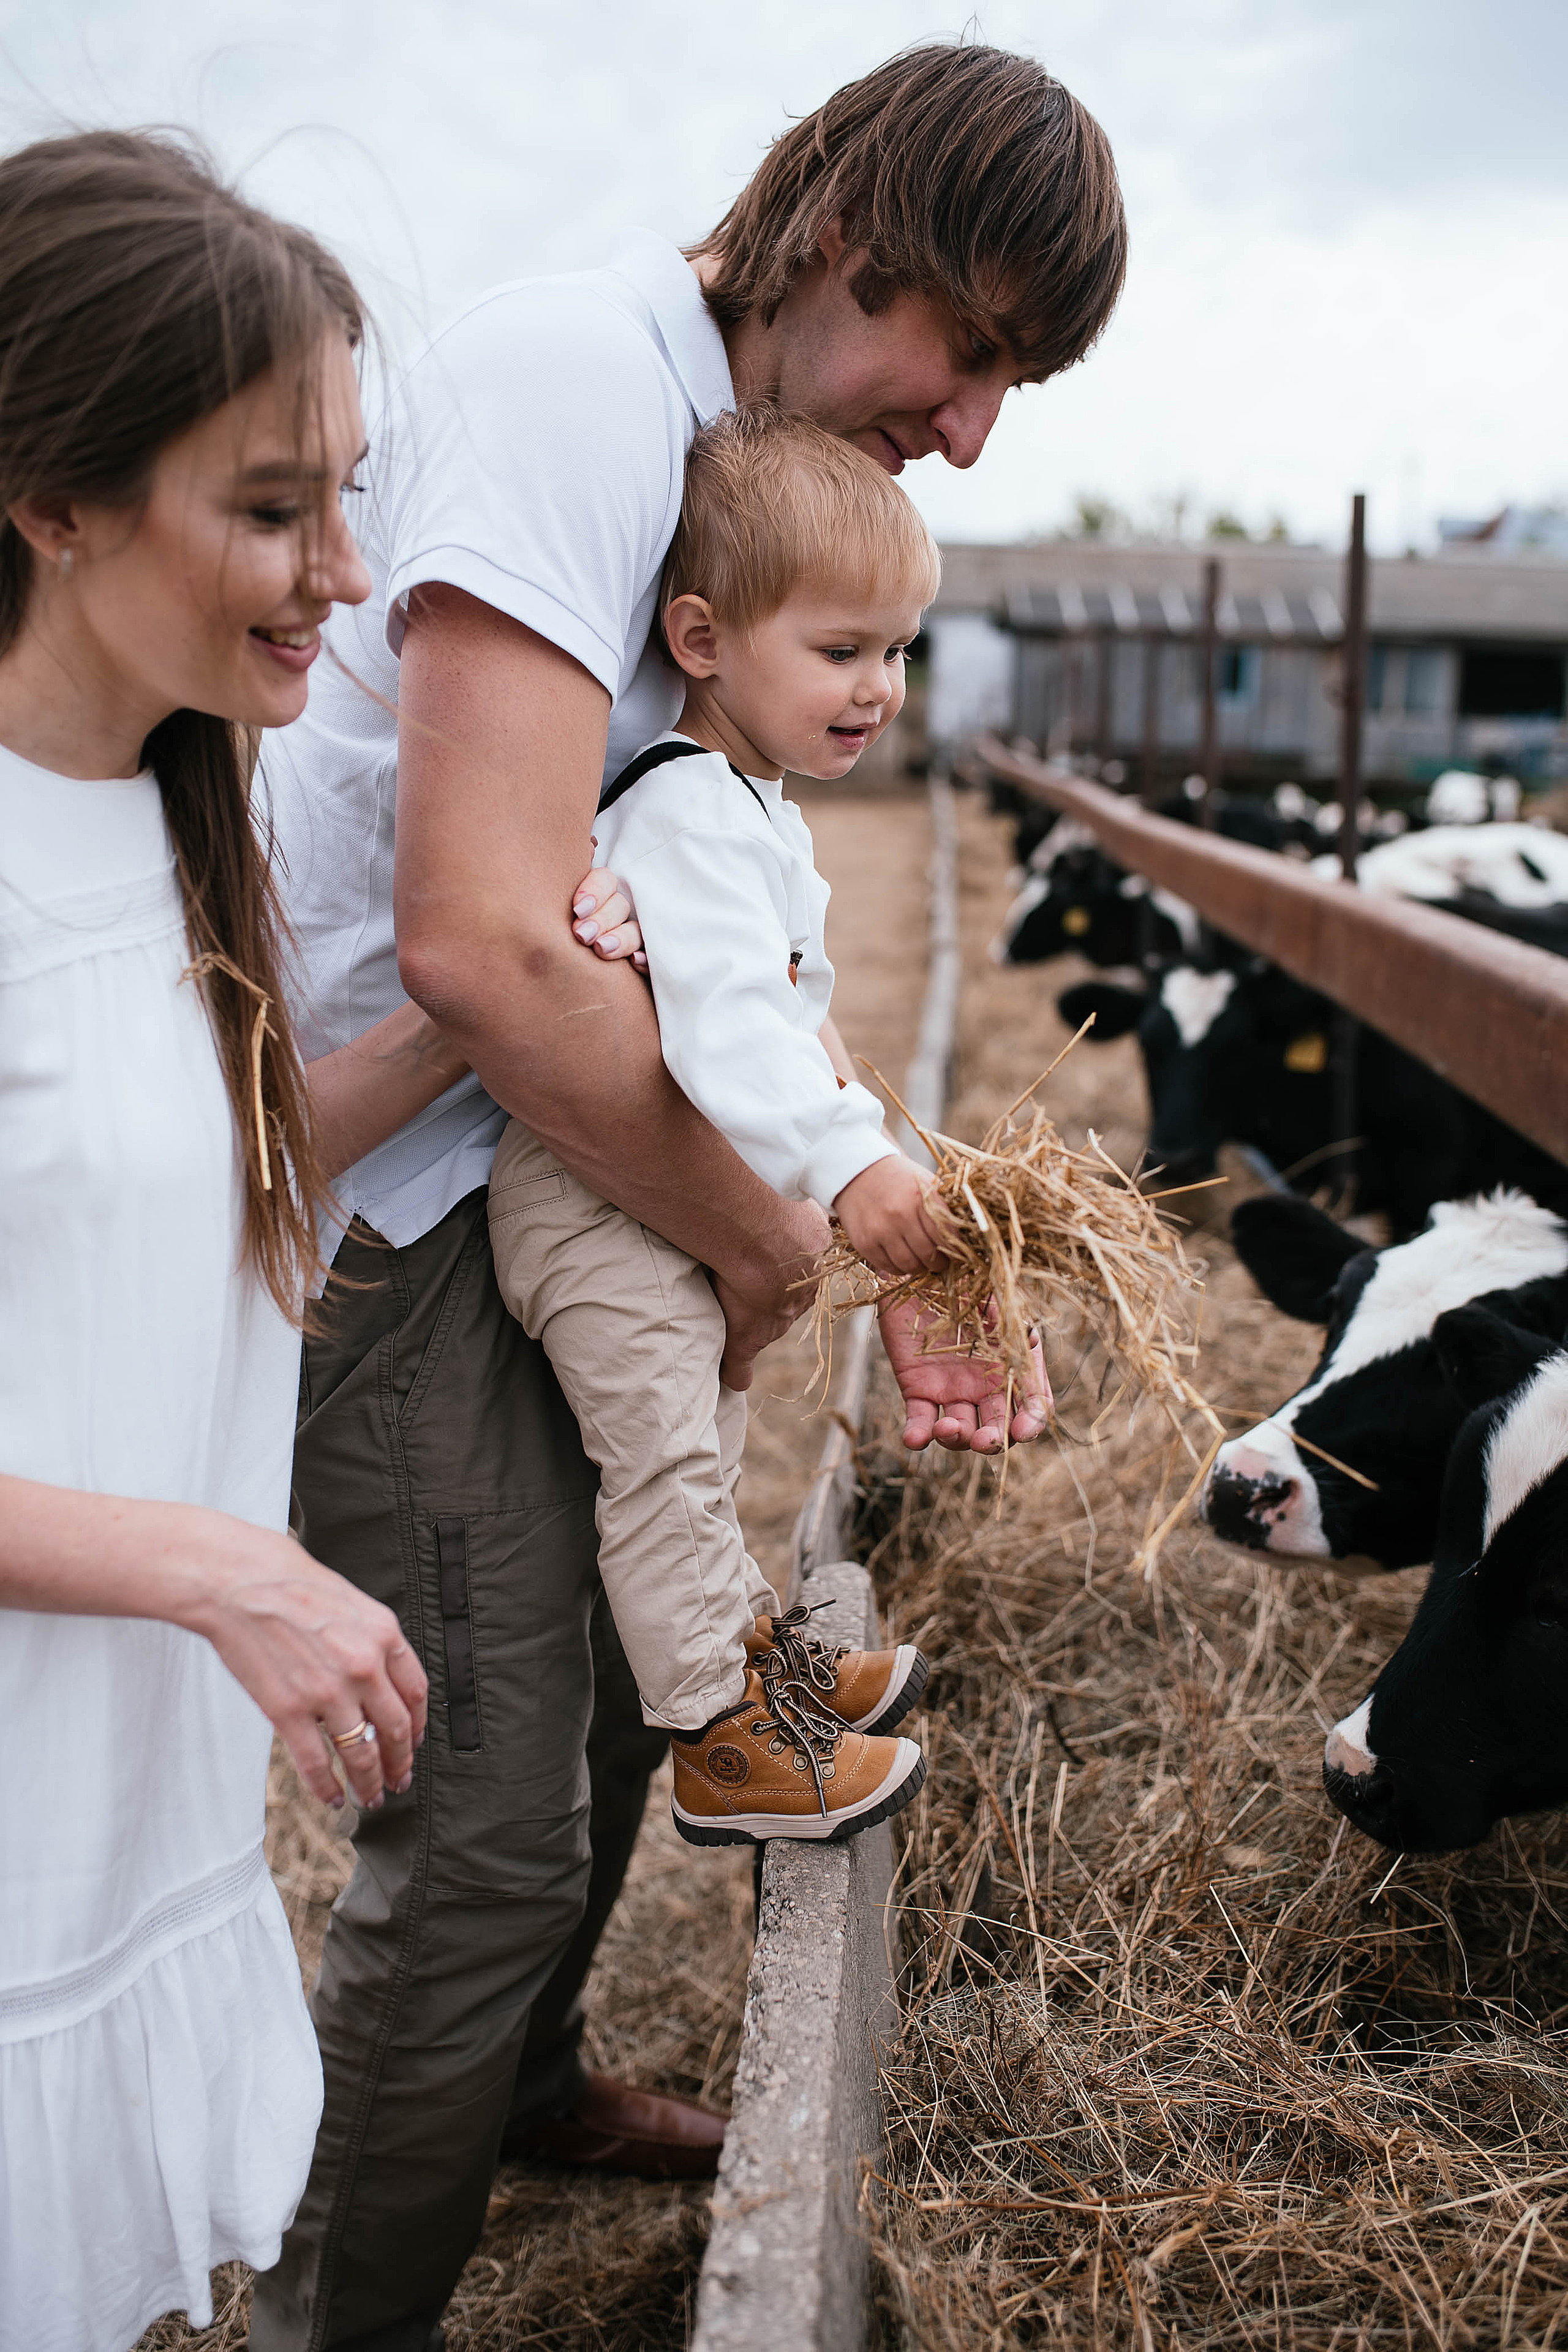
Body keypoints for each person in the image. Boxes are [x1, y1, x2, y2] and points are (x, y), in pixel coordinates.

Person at [254, 43, 1125, 2351]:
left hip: (529, 1152)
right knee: (491, 1819)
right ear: (854, 251)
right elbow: (474, 939)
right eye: (977, 354)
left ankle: (521, 2087)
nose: (972, 427)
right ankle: (340, 2311)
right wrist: (767, 1239)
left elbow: (699, 928)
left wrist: (825, 1194)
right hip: (409, 1198)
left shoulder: (722, 470)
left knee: (632, 1693)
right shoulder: (575, 391)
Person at [0, 132, 483, 2352]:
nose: (342, 571)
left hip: (113, 1827)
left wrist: (533, 998)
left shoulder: (193, 812)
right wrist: (226, 1569)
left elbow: (220, 1175)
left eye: (346, 494)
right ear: (54, 497)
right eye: (272, 506)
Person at [489, 407, 979, 1843]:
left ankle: (749, 1667)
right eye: (841, 651)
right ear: (699, 641)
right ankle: (716, 1739)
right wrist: (848, 1160)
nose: (879, 688)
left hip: (647, 1191)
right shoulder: (696, 813)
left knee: (701, 1436)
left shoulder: (751, 807)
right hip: (592, 1196)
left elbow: (778, 1011)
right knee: (666, 1458)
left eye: (897, 652)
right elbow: (724, 1024)